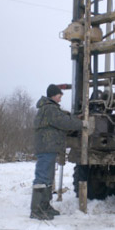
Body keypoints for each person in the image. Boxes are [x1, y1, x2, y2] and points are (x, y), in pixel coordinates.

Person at [30, 84, 83, 220]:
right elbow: (64, 122)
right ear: (53, 95)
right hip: (46, 148)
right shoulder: (49, 108)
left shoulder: (50, 108)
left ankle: (45, 206)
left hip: (50, 148)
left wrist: (75, 118)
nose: (60, 98)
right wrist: (83, 124)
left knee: (47, 178)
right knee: (42, 178)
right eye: (59, 95)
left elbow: (63, 118)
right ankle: (37, 210)